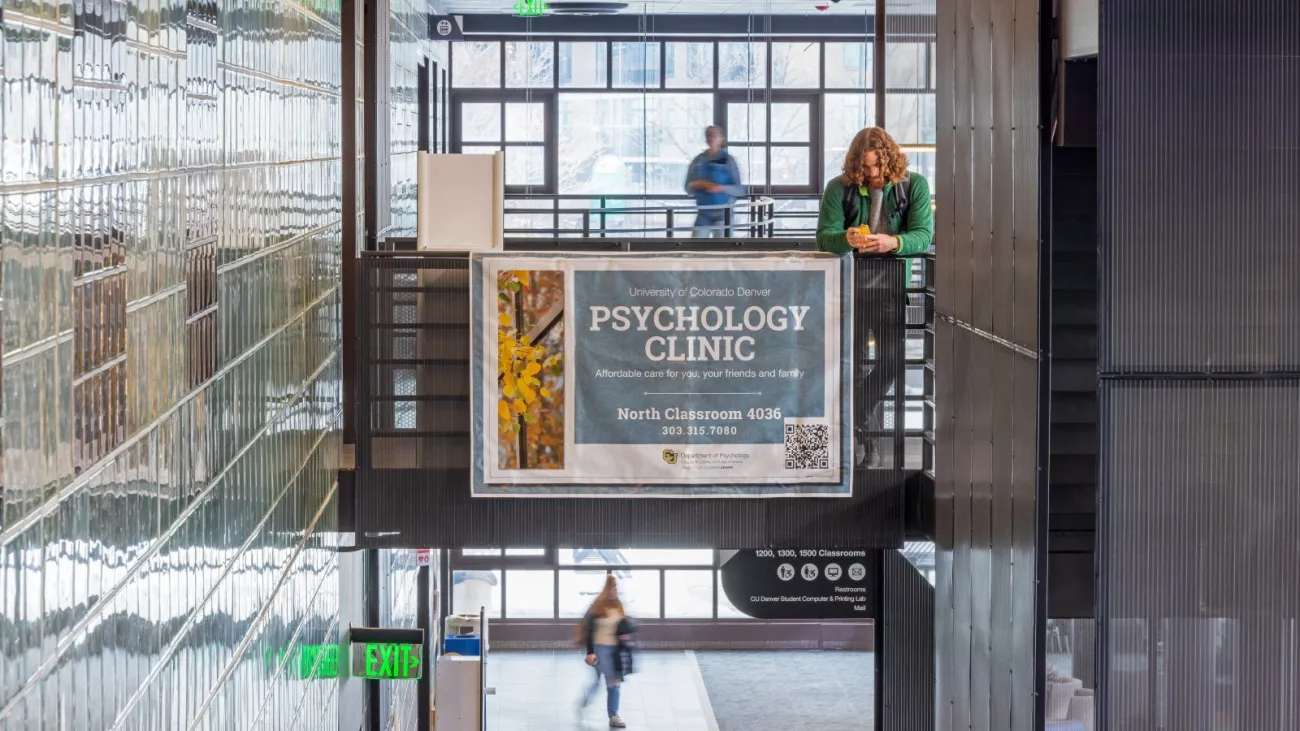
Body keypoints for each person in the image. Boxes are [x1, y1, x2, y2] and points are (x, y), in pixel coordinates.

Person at [816, 127, 934, 468]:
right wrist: (847, 238)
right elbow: (823, 238)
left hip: (893, 285)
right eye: (865, 168)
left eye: (876, 167)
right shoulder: (840, 188)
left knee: (893, 361)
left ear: (890, 159)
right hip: (849, 283)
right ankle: (866, 442)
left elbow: (923, 236)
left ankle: (856, 415)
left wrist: (892, 243)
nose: (871, 174)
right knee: (848, 364)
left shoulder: (914, 186)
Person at [576, 574, 637, 728]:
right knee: (613, 681)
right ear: (606, 590)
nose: (614, 592)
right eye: (612, 588)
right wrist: (590, 652)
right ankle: (613, 715)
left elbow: (622, 624)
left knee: (602, 682)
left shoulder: (619, 606)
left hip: (614, 649)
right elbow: (589, 631)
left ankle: (589, 704)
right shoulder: (598, 607)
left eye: (616, 588)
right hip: (600, 649)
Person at [684, 125, 745, 238]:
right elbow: (687, 188)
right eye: (709, 135)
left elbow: (739, 190)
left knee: (722, 251)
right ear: (706, 139)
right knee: (695, 249)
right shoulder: (698, 160)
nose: (711, 138)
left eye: (715, 136)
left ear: (721, 139)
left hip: (724, 215)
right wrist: (696, 184)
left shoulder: (729, 161)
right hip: (703, 214)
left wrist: (721, 188)